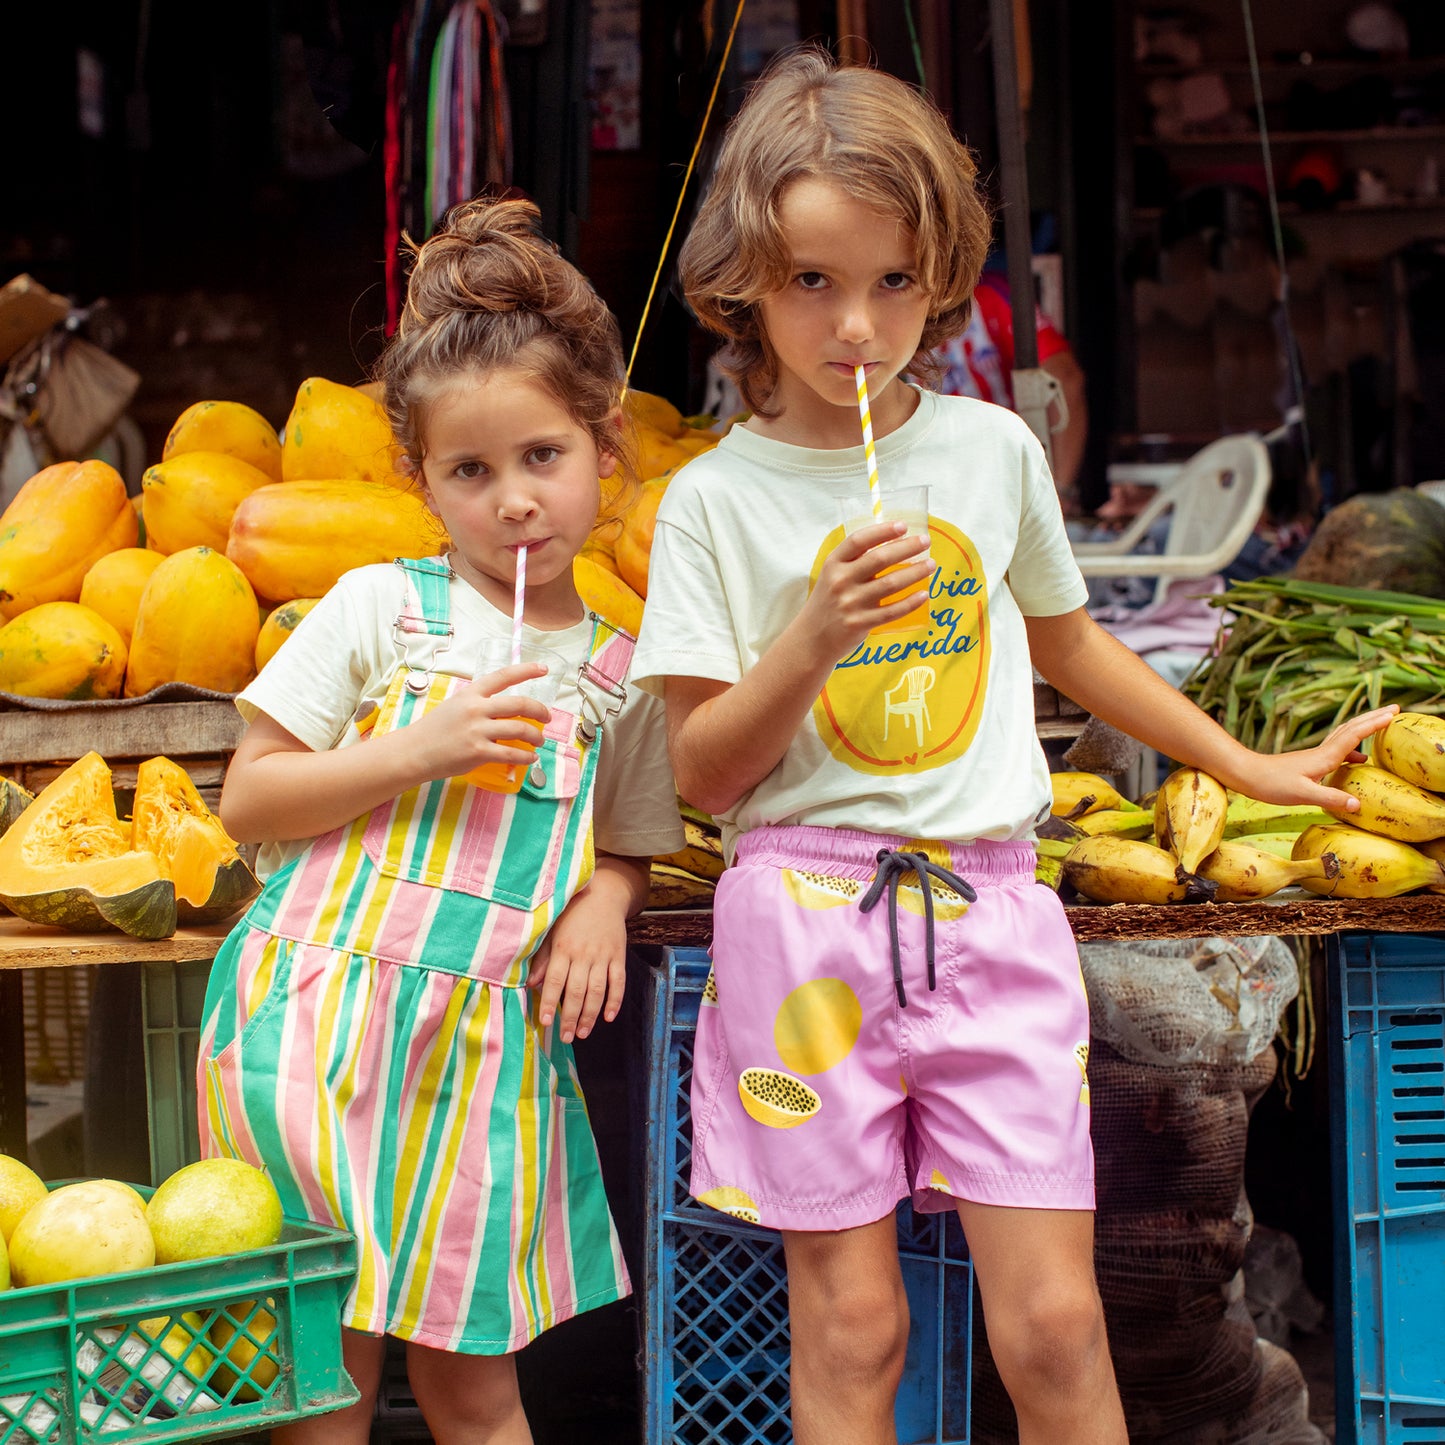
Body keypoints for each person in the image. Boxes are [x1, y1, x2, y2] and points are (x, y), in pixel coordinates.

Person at [631, 48, 1396, 1445]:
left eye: (892, 282)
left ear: (941, 277)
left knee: (1051, 1318)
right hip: (800, 928)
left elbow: (1075, 644)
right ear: (743, 275)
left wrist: (1247, 768)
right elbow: (702, 774)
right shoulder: (711, 502)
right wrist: (811, 635)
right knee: (853, 1324)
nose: (856, 325)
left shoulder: (989, 452)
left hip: (988, 911)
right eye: (813, 281)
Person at [195, 197, 683, 1445]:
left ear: (604, 445)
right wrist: (420, 745)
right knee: (323, 1386)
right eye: (469, 471)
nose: (512, 500)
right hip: (311, 1031)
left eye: (541, 457)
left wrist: (605, 901)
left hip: (480, 1054)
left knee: (476, 1388)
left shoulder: (624, 671)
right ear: (420, 480)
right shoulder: (373, 608)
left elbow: (629, 833)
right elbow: (249, 793)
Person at [934, 270, 1089, 506]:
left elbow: (1065, 378)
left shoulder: (991, 295)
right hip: (940, 486)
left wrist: (1057, 494)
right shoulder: (885, 308)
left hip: (1010, 476)